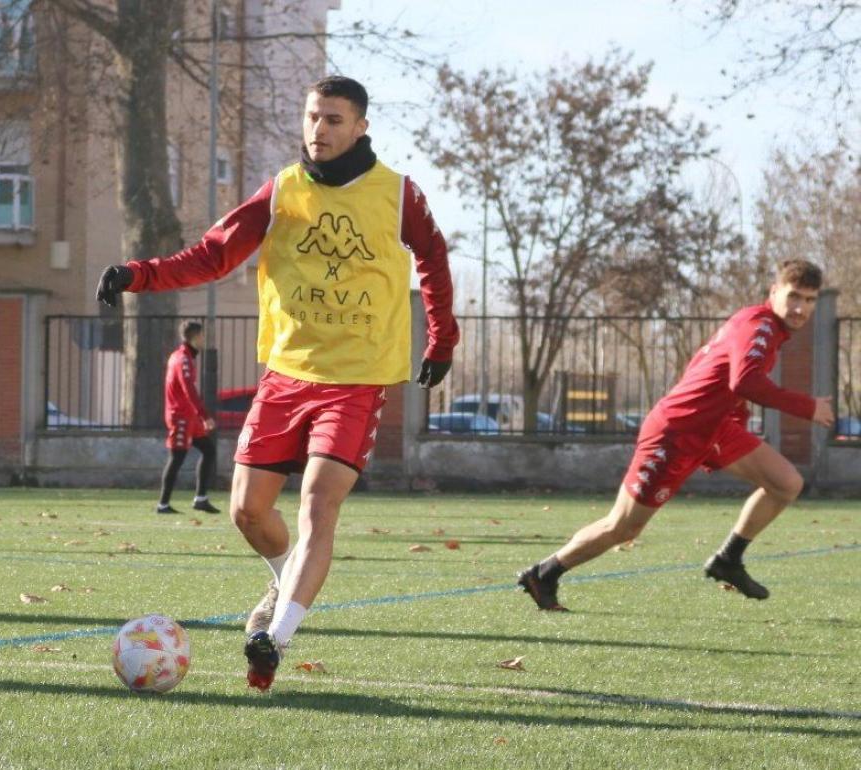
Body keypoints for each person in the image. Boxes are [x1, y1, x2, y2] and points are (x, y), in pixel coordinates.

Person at [96, 75, 458, 690]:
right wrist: (139, 274)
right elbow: (213, 254)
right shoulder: (282, 191)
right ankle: (283, 578)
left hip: (357, 379)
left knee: (318, 502)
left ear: (361, 127)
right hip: (286, 375)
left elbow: (434, 259)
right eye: (313, 116)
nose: (320, 129)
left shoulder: (398, 194)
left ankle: (274, 637)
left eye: (334, 119)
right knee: (246, 511)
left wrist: (441, 339)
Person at [518, 260, 835, 612]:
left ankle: (728, 559)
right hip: (677, 433)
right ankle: (544, 574)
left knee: (785, 483)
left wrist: (733, 416)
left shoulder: (761, 327)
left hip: (714, 428)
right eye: (794, 296)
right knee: (623, 527)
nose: (800, 308)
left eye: (809, 300)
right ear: (774, 292)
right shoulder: (759, 326)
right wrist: (808, 407)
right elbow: (744, 381)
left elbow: (705, 371)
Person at [157, 321, 220, 515]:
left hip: (189, 415)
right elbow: (188, 389)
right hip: (181, 416)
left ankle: (201, 498)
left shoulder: (182, 356)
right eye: (202, 336)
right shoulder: (182, 359)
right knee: (177, 457)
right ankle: (163, 504)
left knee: (209, 450)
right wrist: (204, 416)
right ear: (195, 336)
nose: (204, 339)